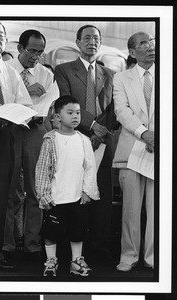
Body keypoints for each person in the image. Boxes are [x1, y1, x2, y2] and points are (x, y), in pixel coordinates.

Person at [54, 25, 117, 262]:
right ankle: (69, 248)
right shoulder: (64, 70)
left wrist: (100, 133)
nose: (92, 42)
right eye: (87, 38)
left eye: (96, 39)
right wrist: (91, 127)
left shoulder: (109, 73)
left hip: (102, 143)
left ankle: (99, 247)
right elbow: (65, 102)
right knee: (72, 193)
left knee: (100, 194)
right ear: (78, 42)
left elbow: (113, 109)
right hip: (74, 140)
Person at [0, 20, 33, 269]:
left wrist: (19, 113)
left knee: (0, 195)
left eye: (1, 35)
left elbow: (26, 104)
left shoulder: (10, 72)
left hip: (5, 133)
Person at [3, 29, 57, 259]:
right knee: (8, 187)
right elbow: (2, 100)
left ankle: (32, 243)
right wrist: (25, 90)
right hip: (11, 129)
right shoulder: (6, 70)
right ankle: (7, 243)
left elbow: (49, 103)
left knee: (36, 189)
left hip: (35, 130)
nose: (36, 56)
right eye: (32, 50)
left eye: (40, 52)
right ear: (20, 49)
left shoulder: (45, 74)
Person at [35, 95, 100, 277]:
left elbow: (90, 167)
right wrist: (44, 195)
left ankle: (76, 260)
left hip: (76, 196)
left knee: (77, 230)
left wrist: (87, 191)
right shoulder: (50, 140)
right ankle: (51, 260)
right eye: (70, 112)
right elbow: (42, 169)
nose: (75, 116)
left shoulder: (83, 140)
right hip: (55, 197)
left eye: (78, 113)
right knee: (51, 230)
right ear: (57, 117)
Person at [112, 31, 155, 271]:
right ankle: (128, 256)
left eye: (152, 42)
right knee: (130, 208)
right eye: (144, 43)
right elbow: (122, 111)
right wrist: (144, 133)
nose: (150, 46)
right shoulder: (121, 78)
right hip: (131, 148)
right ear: (131, 52)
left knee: (157, 207)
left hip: (161, 148)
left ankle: (152, 257)